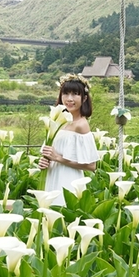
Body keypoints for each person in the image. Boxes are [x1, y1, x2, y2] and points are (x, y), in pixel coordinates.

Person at [38, 73, 100, 206]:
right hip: (51, 177)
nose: (69, 99)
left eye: (75, 94)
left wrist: (58, 158)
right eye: (65, 94)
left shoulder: (81, 125)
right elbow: (50, 152)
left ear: (84, 98)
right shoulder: (58, 120)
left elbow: (91, 166)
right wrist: (44, 161)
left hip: (68, 181)